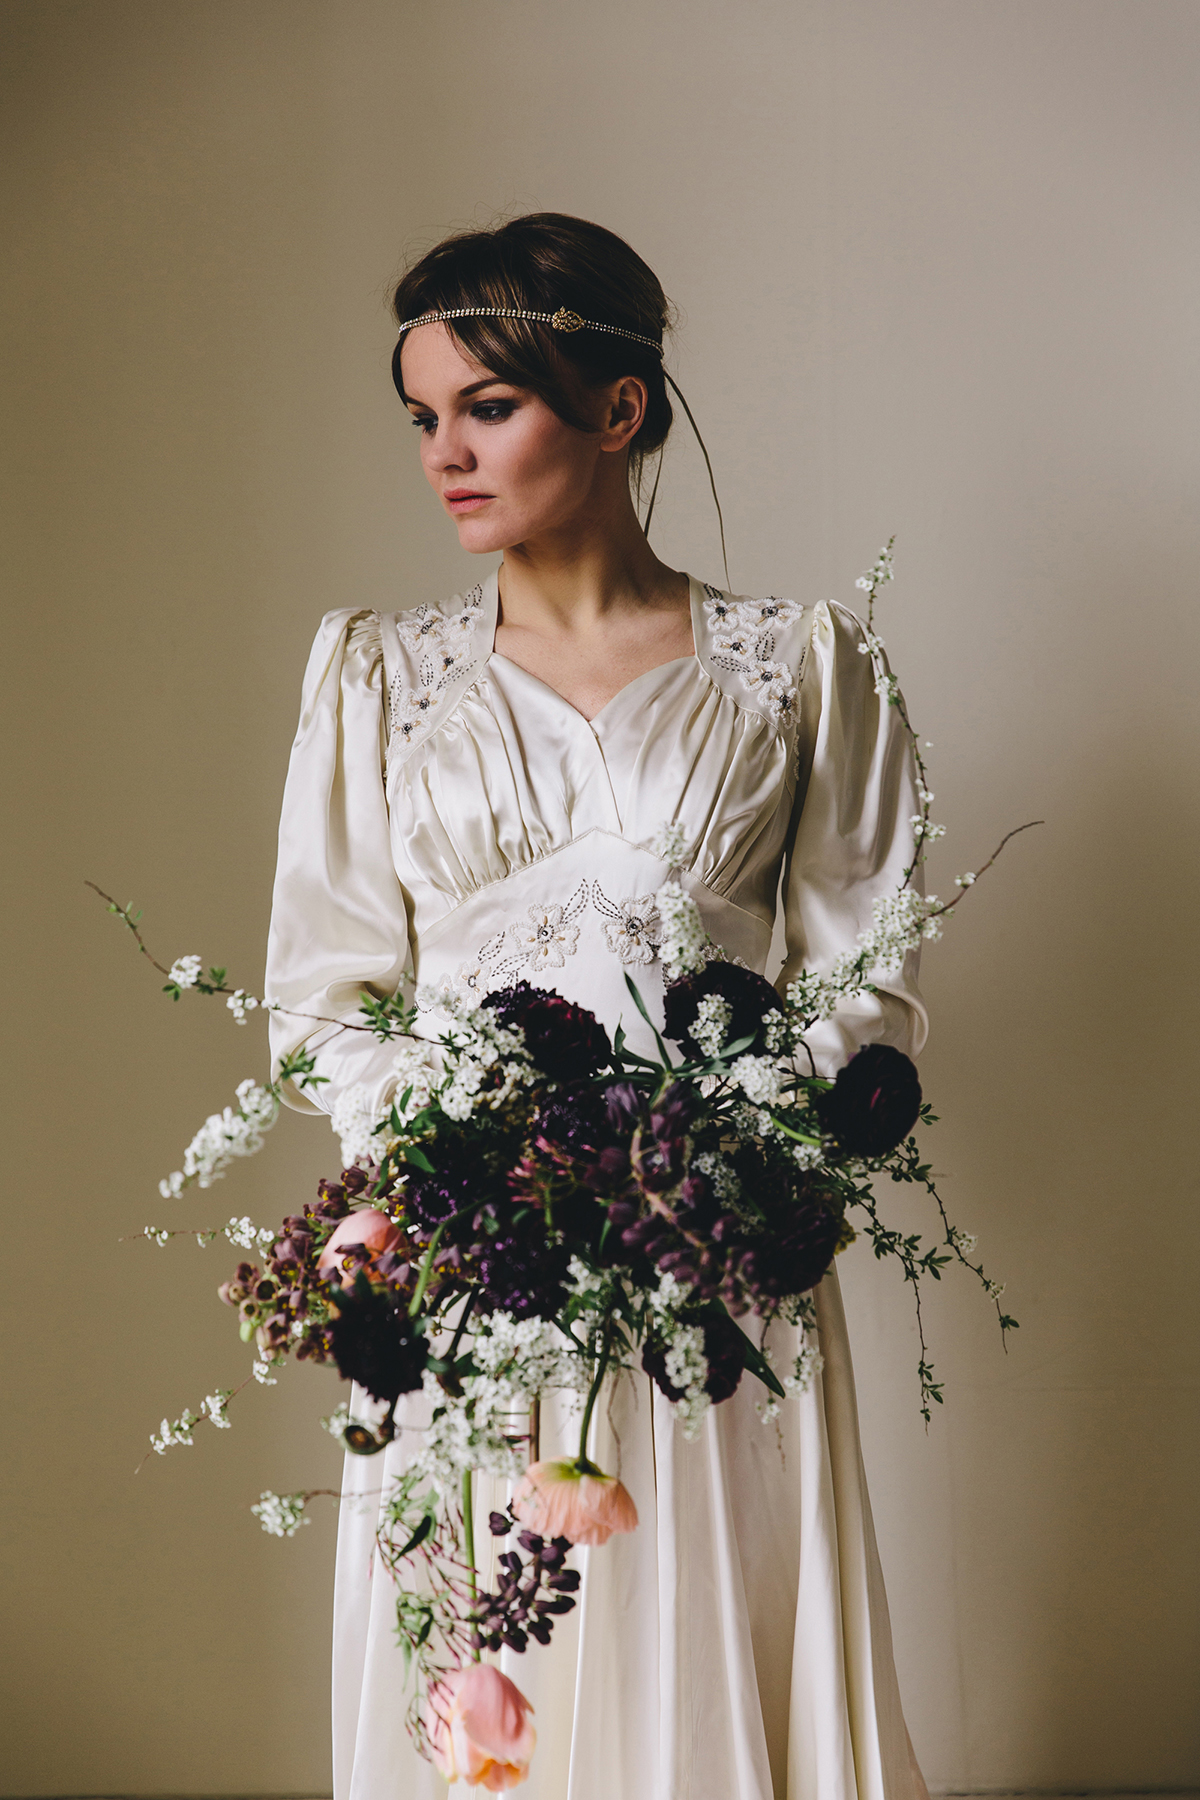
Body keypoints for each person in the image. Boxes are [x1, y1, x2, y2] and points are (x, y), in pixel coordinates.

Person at [266, 212, 931, 1800]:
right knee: (494, 1657)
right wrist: (462, 1173)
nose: (443, 455)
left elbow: (867, 977)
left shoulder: (801, 666)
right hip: (468, 1260)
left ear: (618, 409)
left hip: (717, 1263)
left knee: (708, 1634)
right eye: (423, 417)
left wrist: (714, 1163)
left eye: (487, 408)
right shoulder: (377, 676)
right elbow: (325, 991)